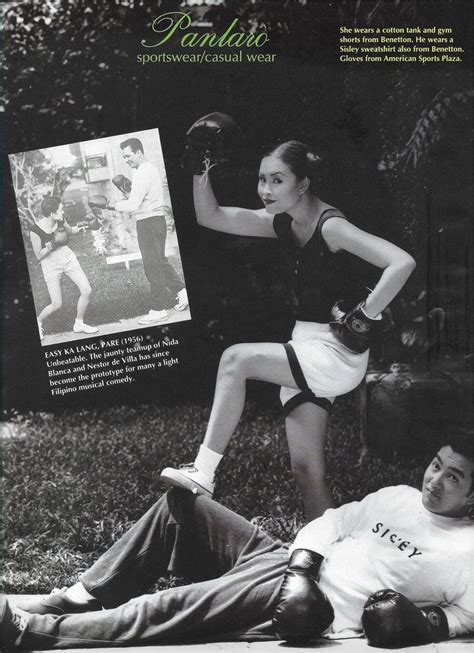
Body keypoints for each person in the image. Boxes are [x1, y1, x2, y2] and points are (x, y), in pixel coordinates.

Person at [160, 114, 416, 518]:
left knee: (235, 360)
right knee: (306, 472)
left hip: (334, 354)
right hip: (305, 347)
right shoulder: (284, 223)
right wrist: (199, 168)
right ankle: (326, 547)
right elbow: (211, 216)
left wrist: (365, 315)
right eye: (262, 179)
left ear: (303, 184)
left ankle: (204, 471)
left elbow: (401, 262)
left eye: (277, 180)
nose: (265, 189)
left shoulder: (332, 227)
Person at [2, 436, 473, 649]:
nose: (435, 480)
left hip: (308, 607)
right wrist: (301, 569)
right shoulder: (397, 496)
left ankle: (31, 632)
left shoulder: (466, 551)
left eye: (453, 477)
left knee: (168, 608)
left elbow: (467, 616)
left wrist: (426, 624)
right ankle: (77, 598)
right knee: (183, 506)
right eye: (436, 464)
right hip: (290, 566)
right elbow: (330, 524)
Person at [107, 137, 188, 325]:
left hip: (148, 223)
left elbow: (133, 204)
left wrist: (111, 205)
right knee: (160, 261)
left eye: (128, 156)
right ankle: (182, 292)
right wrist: (129, 193)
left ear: (138, 152)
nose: (126, 160)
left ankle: (158, 310)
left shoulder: (141, 173)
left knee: (152, 265)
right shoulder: (150, 169)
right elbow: (142, 198)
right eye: (123, 157)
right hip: (158, 220)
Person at [31, 195, 98, 340]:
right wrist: (53, 244)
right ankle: (38, 322)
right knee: (57, 304)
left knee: (86, 290)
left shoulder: (60, 220)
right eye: (60, 209)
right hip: (50, 265)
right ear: (52, 213)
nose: (63, 212)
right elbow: (38, 255)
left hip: (67, 258)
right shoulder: (35, 230)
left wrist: (85, 225)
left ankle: (79, 323)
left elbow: (71, 230)